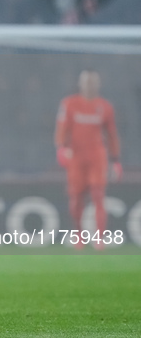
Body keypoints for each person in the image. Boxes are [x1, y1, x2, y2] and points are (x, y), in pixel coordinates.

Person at [55, 70, 122, 250]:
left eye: (93, 82)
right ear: (81, 84)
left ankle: (99, 238)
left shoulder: (105, 107)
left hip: (97, 156)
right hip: (76, 156)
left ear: (98, 84)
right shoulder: (69, 104)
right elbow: (62, 128)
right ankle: (79, 235)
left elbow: (112, 134)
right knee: (76, 198)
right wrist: (61, 148)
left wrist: (115, 160)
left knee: (98, 195)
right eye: (87, 82)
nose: (90, 85)